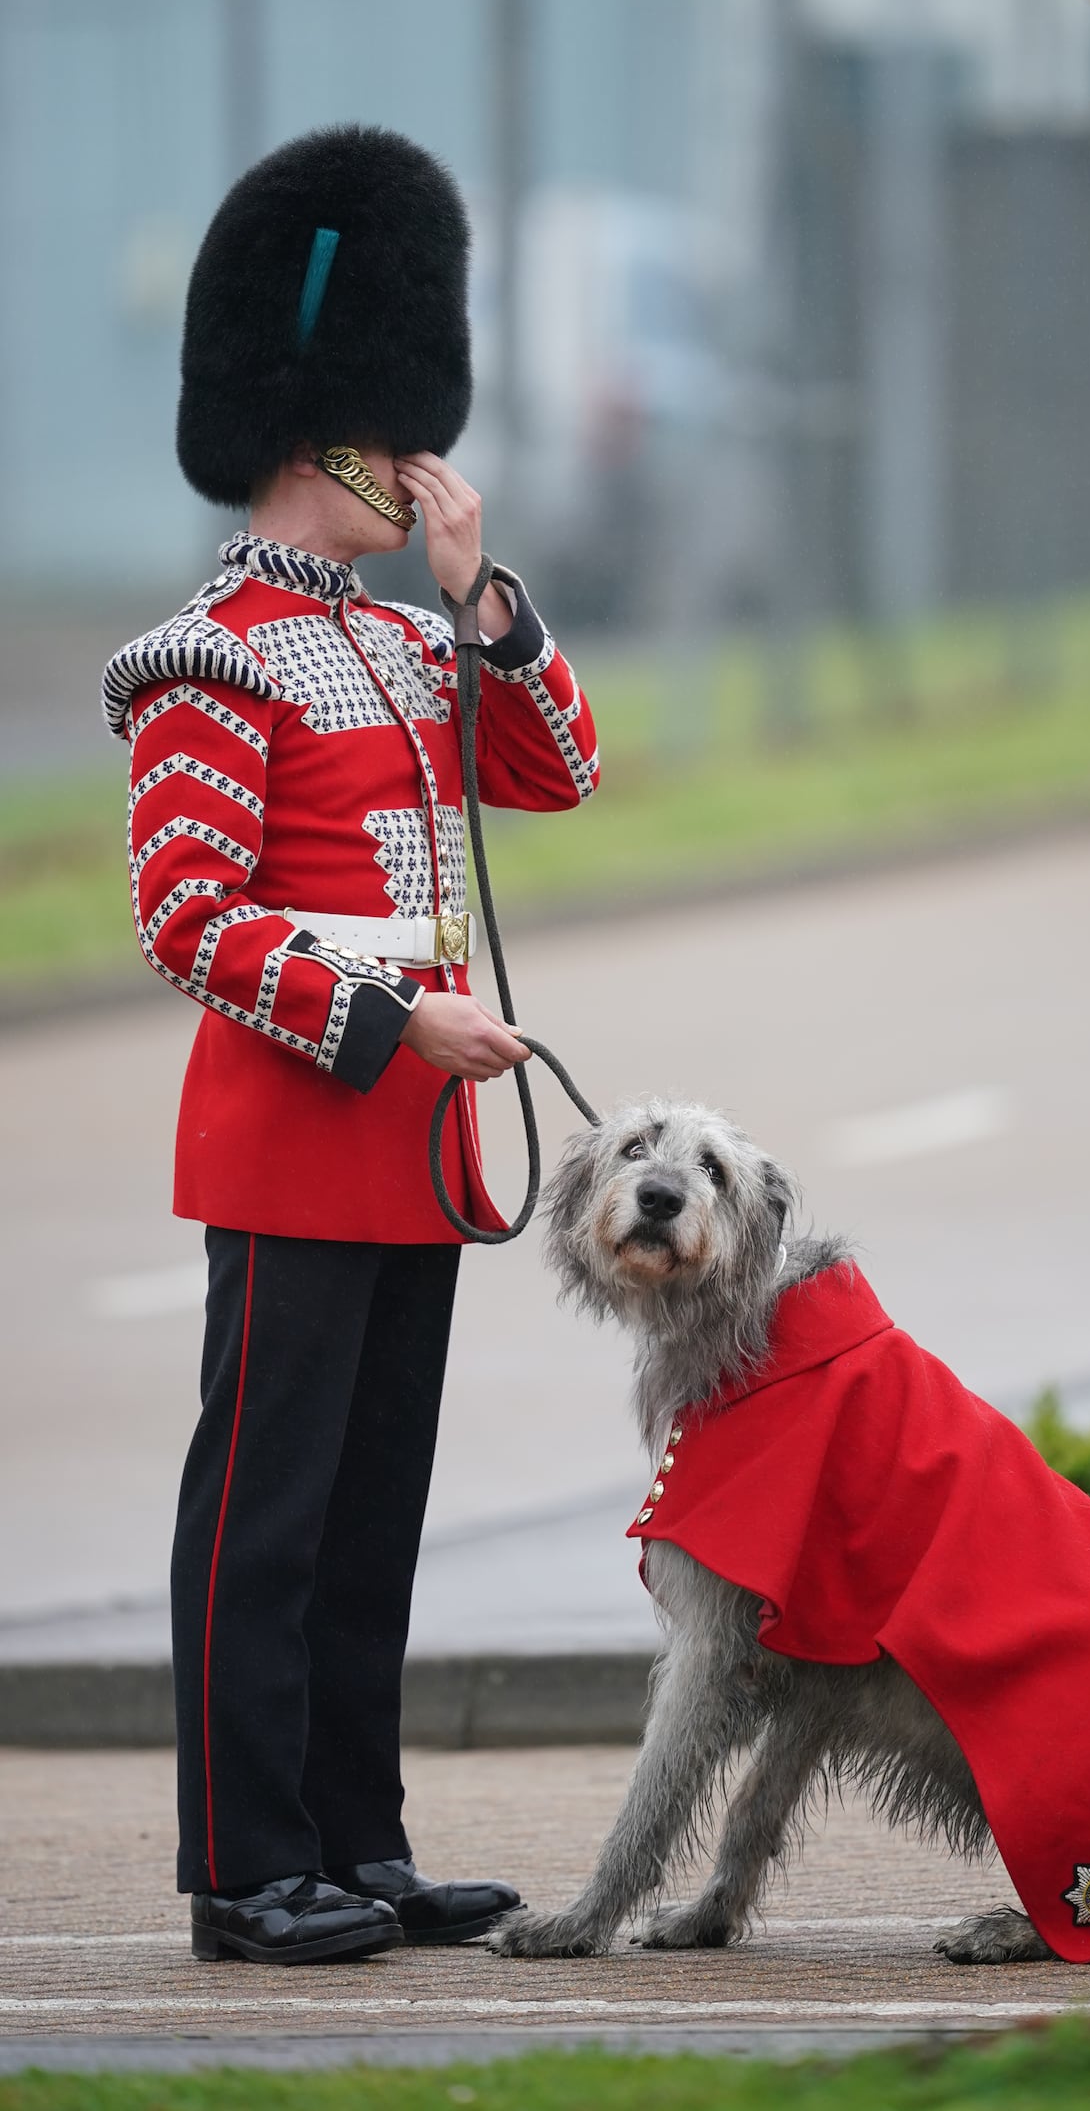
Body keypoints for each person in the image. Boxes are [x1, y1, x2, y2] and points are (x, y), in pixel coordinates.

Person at [102, 126, 598, 1965]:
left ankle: (358, 1843)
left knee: (376, 1523)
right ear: (322, 438)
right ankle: (248, 1863)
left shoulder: (400, 648)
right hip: (299, 1141)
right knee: (269, 1521)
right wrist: (400, 1018)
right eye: (401, 440)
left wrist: (481, 600)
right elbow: (192, 921)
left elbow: (559, 770)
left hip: (414, 1149)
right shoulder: (209, 656)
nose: (426, 466)